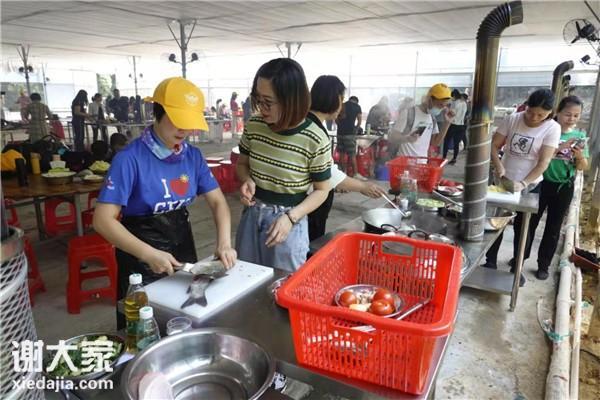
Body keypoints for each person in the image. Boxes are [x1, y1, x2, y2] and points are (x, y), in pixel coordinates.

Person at [93, 77, 237, 329]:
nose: (183, 130)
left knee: (185, 317)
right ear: (157, 112)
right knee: (144, 326)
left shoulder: (192, 157)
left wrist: (224, 244)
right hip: (139, 252)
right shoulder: (129, 159)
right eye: (177, 120)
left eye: (188, 122)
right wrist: (148, 254)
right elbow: (102, 220)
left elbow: (218, 202)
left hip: (182, 244)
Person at [236, 58, 332, 272]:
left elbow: (322, 191)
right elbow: (242, 164)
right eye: (257, 99)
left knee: (283, 283)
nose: (261, 108)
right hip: (252, 214)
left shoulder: (314, 138)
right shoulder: (255, 125)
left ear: (291, 100)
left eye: (268, 102)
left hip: (289, 221)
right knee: (245, 276)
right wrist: (246, 180)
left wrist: (291, 218)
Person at [482, 89, 561, 286]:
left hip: (530, 185)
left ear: (550, 113)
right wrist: (498, 165)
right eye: (530, 112)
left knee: (524, 227)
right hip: (503, 181)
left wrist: (524, 182)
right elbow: (494, 145)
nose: (534, 118)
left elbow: (544, 162)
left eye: (541, 115)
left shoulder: (552, 128)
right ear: (526, 106)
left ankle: (517, 267)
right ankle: (490, 261)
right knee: (496, 222)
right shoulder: (513, 119)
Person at [307, 75, 387, 241]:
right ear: (333, 98)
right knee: (312, 243)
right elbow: (329, 173)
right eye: (341, 99)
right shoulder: (315, 131)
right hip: (310, 203)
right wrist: (363, 186)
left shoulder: (310, 123)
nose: (342, 105)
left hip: (313, 199)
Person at [518, 96, 589, 280]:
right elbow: (537, 156)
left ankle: (544, 265)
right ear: (557, 112)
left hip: (563, 187)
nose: (571, 119)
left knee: (553, 227)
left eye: (576, 115)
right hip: (540, 183)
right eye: (568, 114)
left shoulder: (580, 138)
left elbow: (583, 167)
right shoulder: (547, 129)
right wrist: (561, 147)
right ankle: (520, 259)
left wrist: (579, 156)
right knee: (529, 223)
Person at [389, 83, 455, 158]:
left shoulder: (432, 118)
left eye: (444, 106)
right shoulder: (408, 113)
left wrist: (447, 123)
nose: (441, 109)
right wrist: (407, 139)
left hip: (422, 163)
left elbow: (435, 143)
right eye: (440, 105)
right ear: (430, 100)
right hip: (404, 162)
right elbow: (392, 137)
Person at [336, 96, 365, 179]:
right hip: (349, 134)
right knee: (352, 154)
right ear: (356, 101)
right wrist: (356, 129)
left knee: (342, 154)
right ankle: (355, 174)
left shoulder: (342, 105)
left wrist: (340, 126)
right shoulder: (357, 107)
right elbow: (359, 120)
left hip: (340, 133)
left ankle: (342, 173)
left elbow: (336, 119)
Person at [442, 89, 468, 164]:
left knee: (446, 141)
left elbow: (452, 113)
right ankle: (454, 159)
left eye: (452, 96)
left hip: (453, 125)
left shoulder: (455, 103)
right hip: (461, 126)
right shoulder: (464, 103)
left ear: (454, 96)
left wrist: (446, 109)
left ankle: (444, 158)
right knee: (456, 144)